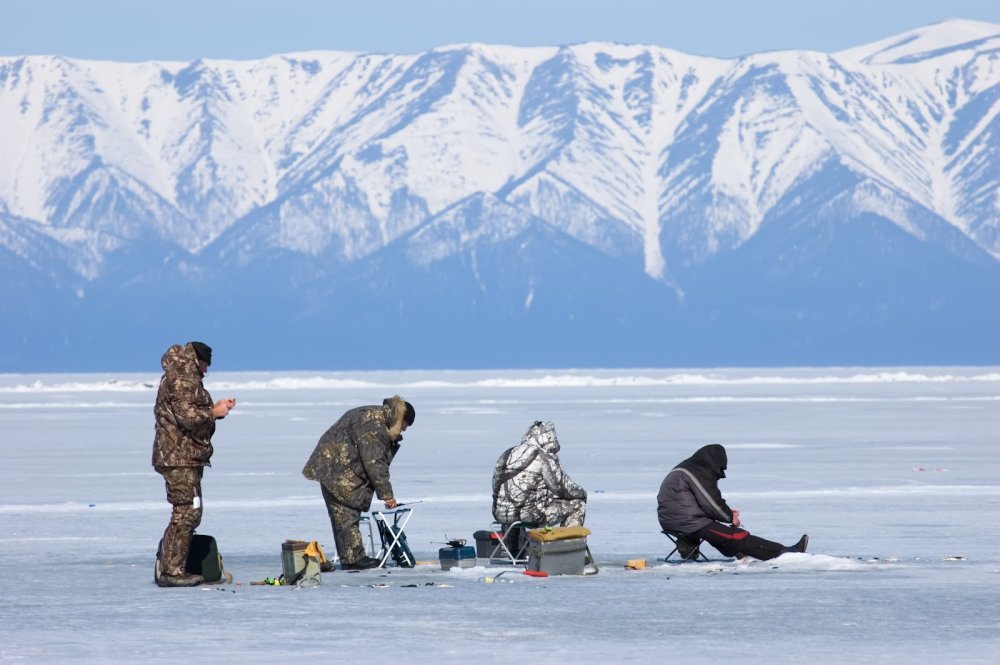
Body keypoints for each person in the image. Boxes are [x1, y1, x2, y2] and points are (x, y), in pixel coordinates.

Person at [151, 341, 237, 587]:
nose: (206, 371)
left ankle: (173, 565)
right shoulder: (182, 379)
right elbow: (187, 417)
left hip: (184, 456)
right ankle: (171, 571)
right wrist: (214, 412)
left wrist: (214, 409)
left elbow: (188, 411)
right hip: (178, 457)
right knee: (186, 511)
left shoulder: (184, 376)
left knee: (190, 512)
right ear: (197, 360)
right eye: (205, 365)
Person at [302, 396, 415, 570]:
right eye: (405, 426)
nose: (403, 431)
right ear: (401, 419)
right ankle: (354, 559)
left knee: (343, 516)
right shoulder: (374, 426)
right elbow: (375, 463)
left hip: (333, 467)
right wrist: (387, 495)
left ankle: (351, 558)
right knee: (346, 514)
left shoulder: (377, 417)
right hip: (336, 470)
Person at [656, 444, 807, 561]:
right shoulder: (697, 471)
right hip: (688, 522)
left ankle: (692, 545)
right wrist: (729, 517)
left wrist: (726, 514)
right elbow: (711, 502)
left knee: (720, 532)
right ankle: (785, 553)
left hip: (675, 520)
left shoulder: (687, 468)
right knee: (737, 536)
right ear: (714, 462)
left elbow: (696, 502)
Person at [492, 420, 588, 528]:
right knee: (578, 506)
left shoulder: (508, 453)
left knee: (514, 508)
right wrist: (582, 494)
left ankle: (512, 544)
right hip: (531, 515)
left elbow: (496, 485)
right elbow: (561, 487)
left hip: (500, 514)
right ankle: (569, 544)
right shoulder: (542, 455)